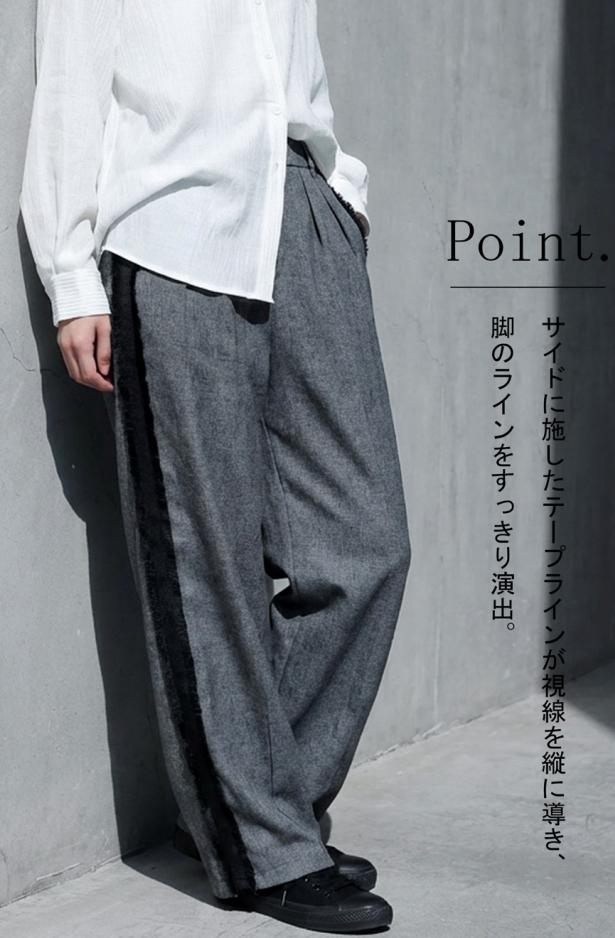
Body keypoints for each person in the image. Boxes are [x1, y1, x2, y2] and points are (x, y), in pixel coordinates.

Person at [19, 1, 411, 932]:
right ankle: (263, 841)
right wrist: (71, 276)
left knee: (366, 546)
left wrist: (341, 190)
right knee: (209, 565)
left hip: (303, 199)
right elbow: (71, 83)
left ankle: (253, 817)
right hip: (174, 220)